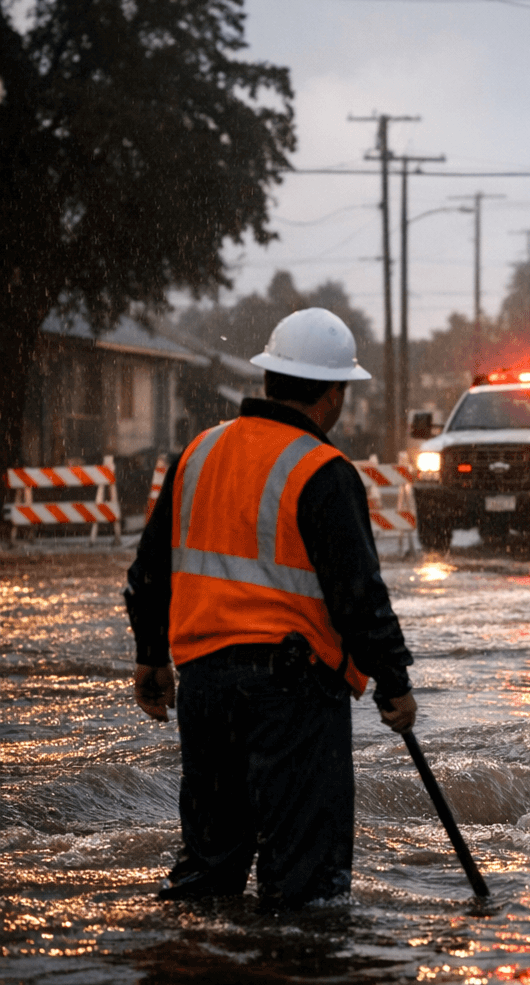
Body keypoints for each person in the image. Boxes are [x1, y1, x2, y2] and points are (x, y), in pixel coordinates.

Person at [125, 307, 417, 910]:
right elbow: (359, 596)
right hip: (294, 698)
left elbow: (148, 571)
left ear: (269, 379)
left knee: (209, 869)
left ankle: (192, 964)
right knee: (305, 887)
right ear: (334, 394)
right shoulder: (323, 470)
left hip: (204, 689)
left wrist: (151, 656)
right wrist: (394, 681)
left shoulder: (197, 454)